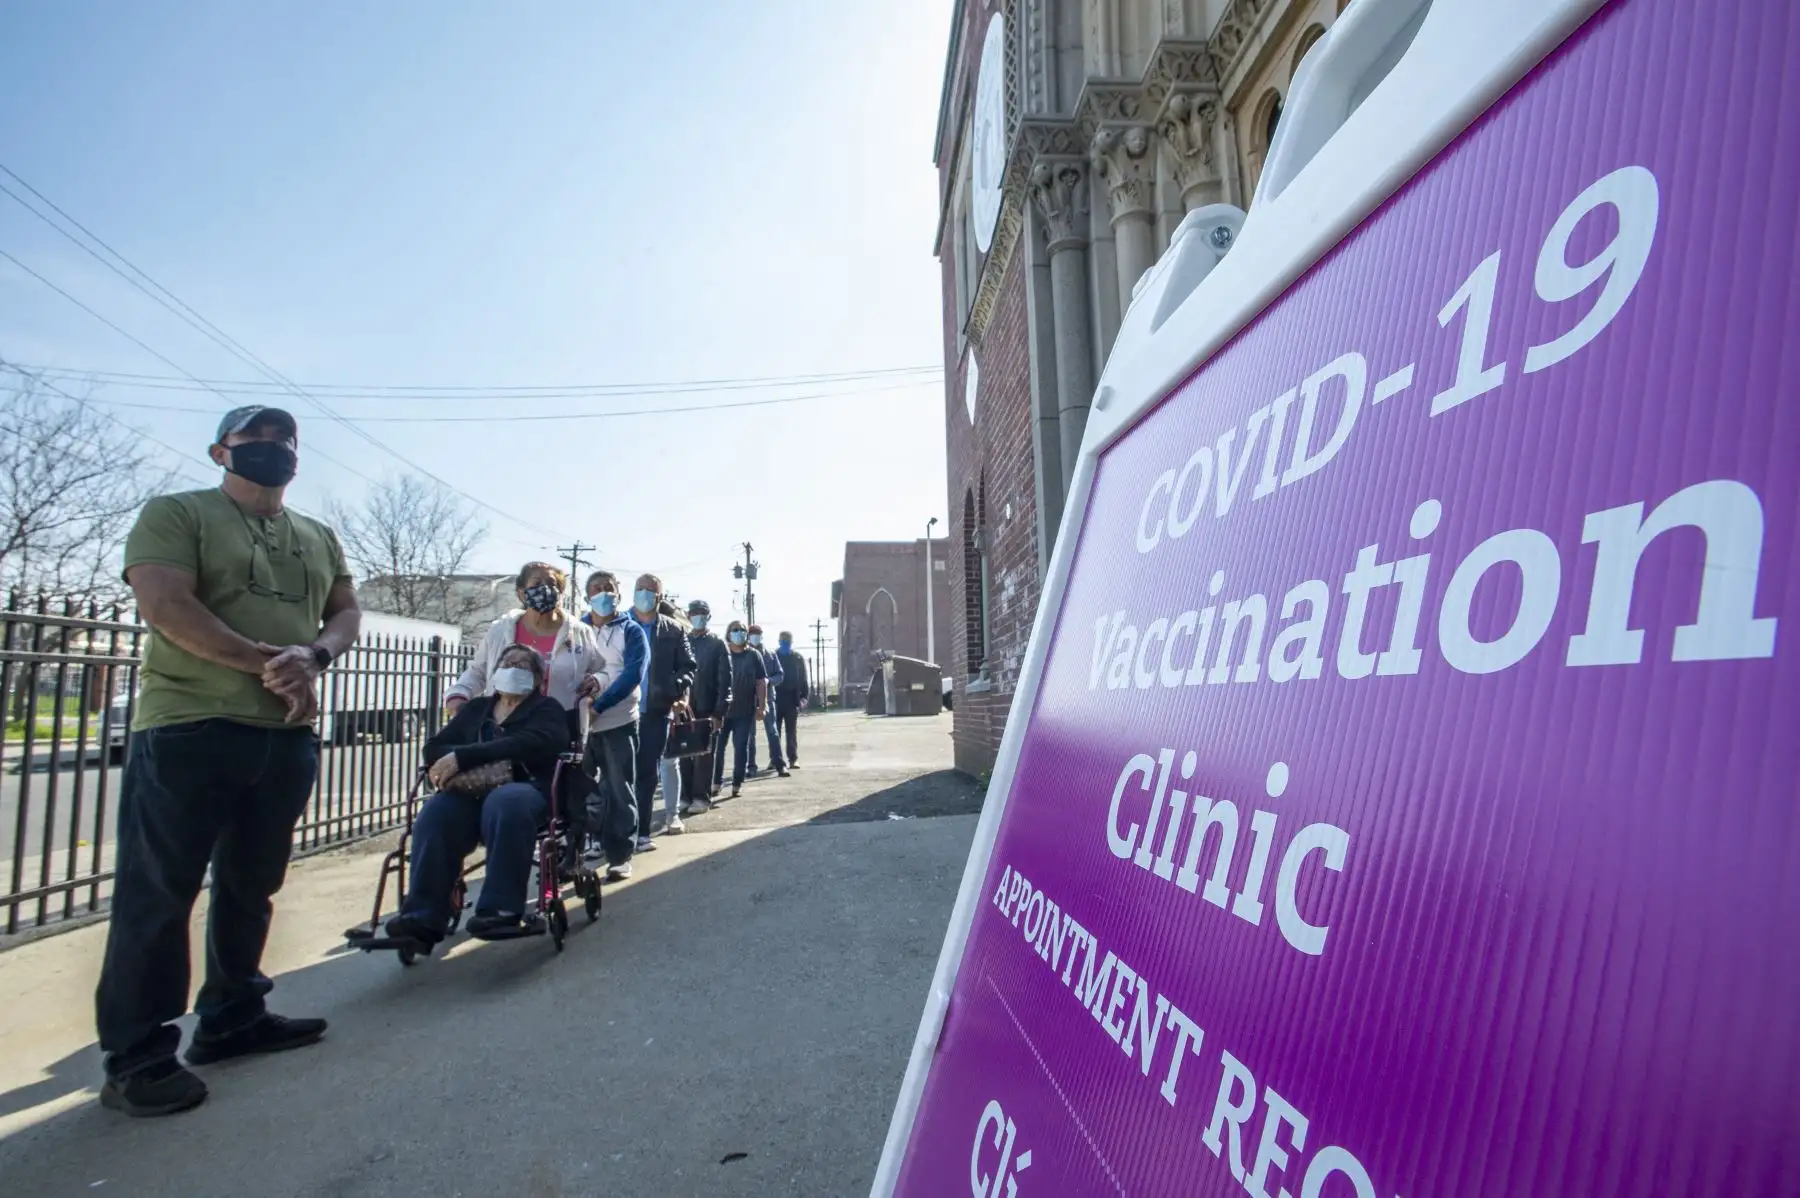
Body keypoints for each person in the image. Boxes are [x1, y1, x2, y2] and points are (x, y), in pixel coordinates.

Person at [95, 405, 361, 1118]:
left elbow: (345, 612)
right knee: (160, 893)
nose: (272, 449)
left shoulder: (317, 534)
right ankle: (137, 1057)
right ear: (222, 452)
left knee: (251, 884)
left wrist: (316, 655)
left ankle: (233, 1015)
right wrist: (266, 662)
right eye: (255, 440)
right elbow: (164, 602)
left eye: (283, 441)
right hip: (189, 727)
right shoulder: (178, 514)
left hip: (283, 736)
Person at [385, 645, 568, 944]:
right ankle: (422, 916)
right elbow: (434, 748)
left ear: (536, 679)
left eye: (522, 664)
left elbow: (535, 742)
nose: (513, 667)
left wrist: (465, 757)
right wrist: (458, 756)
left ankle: (500, 908)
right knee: (436, 814)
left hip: (526, 789)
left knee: (505, 802)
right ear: (496, 671)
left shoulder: (547, 709)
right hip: (471, 794)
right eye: (508, 662)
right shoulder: (476, 709)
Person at [447, 562, 604, 741]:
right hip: (503, 726)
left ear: (560, 592)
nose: (544, 589)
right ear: (521, 592)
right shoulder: (500, 630)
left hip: (558, 728)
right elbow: (478, 672)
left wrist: (597, 684)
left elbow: (601, 671)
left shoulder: (580, 632)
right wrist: (458, 695)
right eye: (536, 584)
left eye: (551, 584)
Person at [579, 570, 648, 881]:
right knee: (578, 791)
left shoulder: (631, 631)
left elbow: (632, 674)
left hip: (618, 721)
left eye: (609, 588)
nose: (604, 593)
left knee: (619, 790)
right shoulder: (575, 630)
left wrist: (601, 706)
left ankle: (620, 854)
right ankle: (586, 846)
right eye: (597, 588)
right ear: (586, 594)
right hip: (579, 725)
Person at [628, 573, 696, 846]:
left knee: (647, 773)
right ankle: (608, 834)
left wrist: (675, 688)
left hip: (655, 711)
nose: (644, 594)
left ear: (659, 597)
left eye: (651, 591)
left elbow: (688, 666)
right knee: (617, 775)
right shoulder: (619, 625)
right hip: (619, 712)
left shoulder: (673, 629)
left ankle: (642, 832)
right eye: (639, 589)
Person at [681, 599, 731, 814]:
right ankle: (685, 796)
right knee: (682, 753)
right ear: (688, 615)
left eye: (702, 612)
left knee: (704, 754)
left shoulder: (717, 644)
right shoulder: (682, 640)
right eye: (694, 612)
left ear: (708, 616)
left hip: (708, 707)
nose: (698, 616)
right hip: (684, 707)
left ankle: (701, 797)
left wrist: (719, 712)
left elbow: (725, 681)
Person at [721, 620, 768, 798]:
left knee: (741, 746)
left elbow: (761, 682)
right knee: (718, 748)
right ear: (728, 633)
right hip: (723, 710)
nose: (739, 633)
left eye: (742, 630)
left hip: (745, 710)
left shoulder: (754, 655)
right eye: (735, 630)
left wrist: (761, 707)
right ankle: (716, 782)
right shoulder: (722, 652)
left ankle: (737, 783)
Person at [746, 624, 790, 778]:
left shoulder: (770, 655)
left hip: (768, 698)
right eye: (752, 633)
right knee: (749, 735)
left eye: (758, 633)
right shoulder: (744, 654)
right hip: (748, 700)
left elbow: (780, 675)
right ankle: (751, 766)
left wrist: (768, 681)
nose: (755, 636)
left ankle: (779, 765)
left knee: (772, 732)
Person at [774, 631, 811, 768]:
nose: (785, 642)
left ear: (791, 642)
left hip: (791, 699)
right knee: (774, 732)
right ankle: (775, 759)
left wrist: (804, 697)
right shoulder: (774, 656)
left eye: (787, 640)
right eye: (783, 640)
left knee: (791, 732)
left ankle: (793, 759)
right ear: (779, 641)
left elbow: (803, 679)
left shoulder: (797, 658)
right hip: (776, 699)